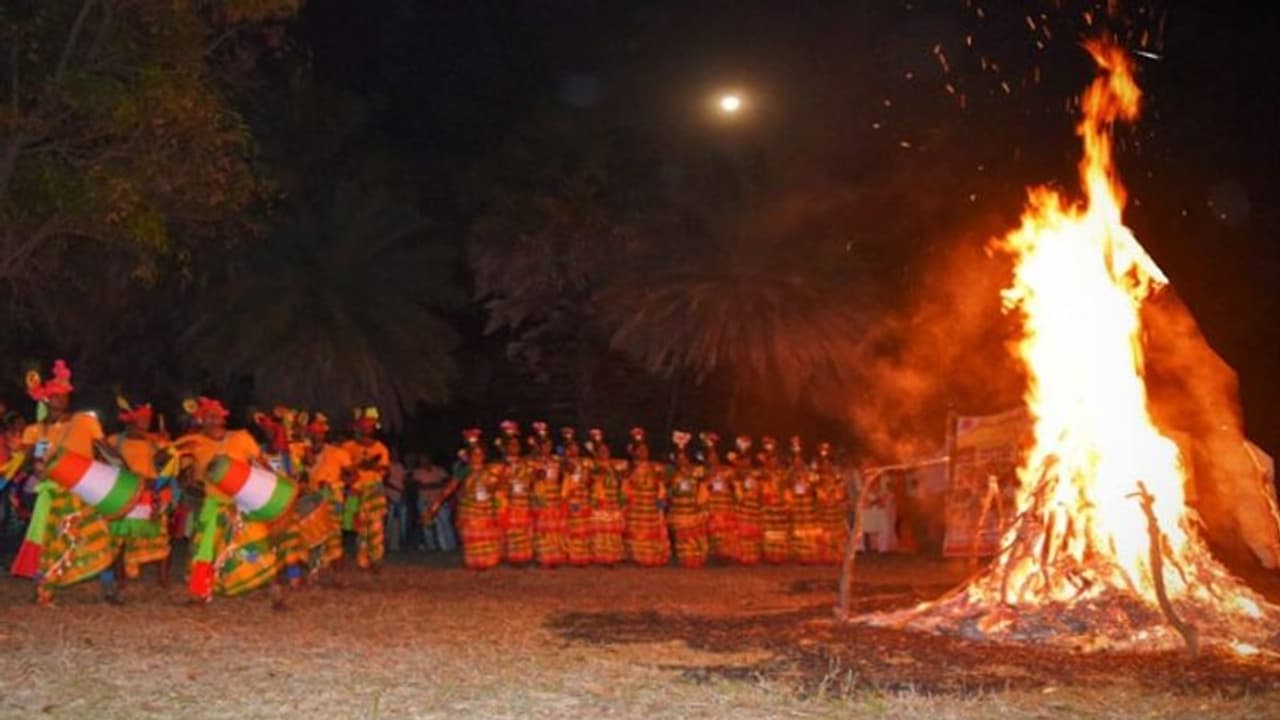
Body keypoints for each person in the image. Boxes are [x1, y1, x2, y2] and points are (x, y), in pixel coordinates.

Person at [12, 360, 124, 605]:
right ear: (45, 399)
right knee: (49, 540)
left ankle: (109, 589)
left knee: (98, 536)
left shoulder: (85, 421)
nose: (58, 400)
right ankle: (43, 588)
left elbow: (105, 450)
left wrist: (126, 472)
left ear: (68, 398)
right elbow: (28, 460)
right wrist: (33, 470)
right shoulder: (36, 431)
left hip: (84, 489)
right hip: (52, 494)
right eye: (53, 396)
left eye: (63, 396)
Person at [174, 396, 284, 606]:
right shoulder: (194, 443)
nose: (213, 420)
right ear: (200, 420)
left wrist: (274, 487)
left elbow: (261, 464)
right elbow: (175, 465)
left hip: (243, 503)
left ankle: (275, 594)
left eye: (217, 416)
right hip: (213, 505)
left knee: (258, 546)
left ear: (224, 418)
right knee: (203, 550)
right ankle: (198, 593)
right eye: (208, 416)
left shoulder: (241, 437)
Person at [108, 397, 176, 586]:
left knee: (161, 537)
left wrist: (167, 448)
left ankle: (163, 580)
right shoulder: (115, 441)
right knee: (122, 538)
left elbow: (164, 466)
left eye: (149, 418)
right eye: (143, 418)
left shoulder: (156, 440)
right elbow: (106, 463)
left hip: (153, 494)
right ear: (131, 418)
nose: (147, 421)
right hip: (126, 494)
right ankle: (120, 579)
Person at [301, 413, 351, 575]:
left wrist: (338, 485)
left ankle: (338, 575)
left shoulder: (338, 453)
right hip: (311, 499)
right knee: (312, 534)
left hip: (332, 497)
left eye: (320, 432)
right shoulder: (302, 453)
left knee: (334, 536)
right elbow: (306, 466)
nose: (317, 435)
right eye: (314, 432)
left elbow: (352, 474)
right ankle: (314, 569)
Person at [341, 407, 390, 573]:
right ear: (357, 428)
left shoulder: (381, 448)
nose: (367, 429)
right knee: (359, 526)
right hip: (355, 490)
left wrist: (369, 467)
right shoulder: (348, 447)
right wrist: (363, 467)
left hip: (374, 490)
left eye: (370, 426)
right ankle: (363, 560)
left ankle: (376, 559)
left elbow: (382, 471)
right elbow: (344, 471)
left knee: (375, 526)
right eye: (364, 426)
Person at [621, 428, 669, 567]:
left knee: (650, 531)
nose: (644, 452)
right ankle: (635, 556)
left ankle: (650, 557)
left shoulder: (655, 467)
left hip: (650, 505)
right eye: (640, 450)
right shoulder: (629, 467)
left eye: (645, 450)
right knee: (636, 530)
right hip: (636, 504)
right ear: (634, 452)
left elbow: (661, 485)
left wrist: (661, 501)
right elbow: (625, 485)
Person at [667, 430, 709, 568]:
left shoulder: (695, 471)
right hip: (679, 509)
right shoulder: (671, 472)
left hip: (692, 508)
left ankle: (697, 557)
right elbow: (667, 489)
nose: (681, 459)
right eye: (679, 457)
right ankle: (685, 558)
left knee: (695, 535)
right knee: (682, 537)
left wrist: (701, 504)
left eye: (684, 457)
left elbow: (703, 485)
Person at [456, 441, 501, 570]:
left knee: (486, 536)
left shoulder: (490, 471)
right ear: (469, 456)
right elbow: (451, 487)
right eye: (474, 454)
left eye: (480, 454)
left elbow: (496, 488)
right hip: (470, 509)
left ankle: (486, 561)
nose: (478, 457)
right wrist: (435, 505)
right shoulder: (464, 471)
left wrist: (492, 487)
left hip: (485, 508)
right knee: (472, 536)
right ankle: (473, 562)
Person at [494, 420, 533, 565]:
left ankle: (522, 556)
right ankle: (507, 556)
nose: (514, 447)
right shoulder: (497, 465)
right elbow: (494, 484)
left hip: (522, 501)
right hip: (506, 502)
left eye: (516, 444)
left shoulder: (526, 463)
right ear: (504, 447)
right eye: (510, 445)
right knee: (507, 530)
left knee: (522, 530)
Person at [529, 424, 566, 568]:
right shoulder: (531, 462)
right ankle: (543, 557)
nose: (547, 448)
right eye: (543, 445)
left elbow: (564, 476)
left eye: (549, 445)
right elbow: (527, 481)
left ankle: (554, 557)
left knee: (554, 529)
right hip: (540, 497)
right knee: (542, 529)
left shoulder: (557, 460)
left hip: (554, 497)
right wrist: (535, 476)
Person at [587, 429, 625, 566]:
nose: (605, 453)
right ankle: (599, 555)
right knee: (600, 529)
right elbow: (587, 481)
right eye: (601, 451)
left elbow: (620, 481)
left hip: (612, 501)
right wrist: (596, 473)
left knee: (612, 530)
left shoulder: (614, 466)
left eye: (606, 450)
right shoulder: (591, 465)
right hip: (599, 501)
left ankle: (612, 556)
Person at [700, 432, 739, 564]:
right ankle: (715, 555)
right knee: (714, 532)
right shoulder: (704, 473)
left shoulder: (726, 470)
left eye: (714, 456)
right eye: (710, 457)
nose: (712, 459)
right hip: (713, 506)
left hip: (725, 505)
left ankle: (726, 555)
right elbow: (702, 489)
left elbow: (734, 483)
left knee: (726, 532)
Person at [785, 436, 823, 564]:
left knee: (808, 530)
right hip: (796, 504)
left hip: (806, 505)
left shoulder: (808, 473)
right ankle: (797, 555)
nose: (798, 462)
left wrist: (809, 484)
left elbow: (815, 484)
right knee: (796, 530)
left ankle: (809, 554)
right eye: (795, 459)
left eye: (800, 459)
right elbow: (785, 484)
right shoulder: (789, 473)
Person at [560, 428, 593, 566]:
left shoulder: (584, 463)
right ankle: (572, 554)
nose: (575, 450)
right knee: (574, 524)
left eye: (576, 448)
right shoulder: (563, 463)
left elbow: (589, 480)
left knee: (583, 525)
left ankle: (583, 555)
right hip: (572, 498)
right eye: (571, 448)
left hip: (582, 496)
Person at [730, 436, 763, 565]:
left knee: (751, 535)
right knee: (739, 534)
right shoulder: (733, 476)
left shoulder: (754, 476)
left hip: (751, 509)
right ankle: (740, 556)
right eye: (741, 462)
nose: (744, 465)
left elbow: (757, 491)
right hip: (739, 509)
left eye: (746, 462)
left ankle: (751, 557)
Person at [814, 442, 848, 565]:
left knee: (837, 534)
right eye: (824, 466)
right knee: (825, 534)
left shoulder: (837, 477)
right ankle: (826, 557)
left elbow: (842, 492)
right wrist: (824, 497)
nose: (826, 468)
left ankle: (837, 556)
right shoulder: (818, 479)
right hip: (824, 509)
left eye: (828, 465)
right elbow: (817, 492)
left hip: (834, 509)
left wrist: (836, 495)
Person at [413, 453, 456, 552]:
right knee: (427, 524)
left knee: (445, 523)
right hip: (425, 501)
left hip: (439, 500)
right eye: (421, 460)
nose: (423, 461)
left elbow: (448, 483)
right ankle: (431, 547)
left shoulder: (439, 470)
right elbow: (418, 486)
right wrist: (437, 485)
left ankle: (449, 546)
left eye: (424, 459)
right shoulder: (417, 472)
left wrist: (430, 486)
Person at [757, 437, 790, 564]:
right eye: (770, 460)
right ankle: (770, 555)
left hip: (779, 507)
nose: (772, 463)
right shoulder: (761, 473)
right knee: (768, 532)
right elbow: (760, 488)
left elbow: (785, 486)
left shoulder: (781, 474)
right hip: (768, 507)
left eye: (775, 460)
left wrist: (786, 502)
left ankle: (780, 555)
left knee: (780, 532)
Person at [385, 451, 407, 553]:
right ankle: (387, 543)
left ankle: (396, 544)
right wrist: (396, 490)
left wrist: (402, 492)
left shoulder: (400, 466)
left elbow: (403, 480)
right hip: (389, 496)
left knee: (399, 522)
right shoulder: (387, 465)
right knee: (388, 522)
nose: (395, 455)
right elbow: (385, 481)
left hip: (399, 497)